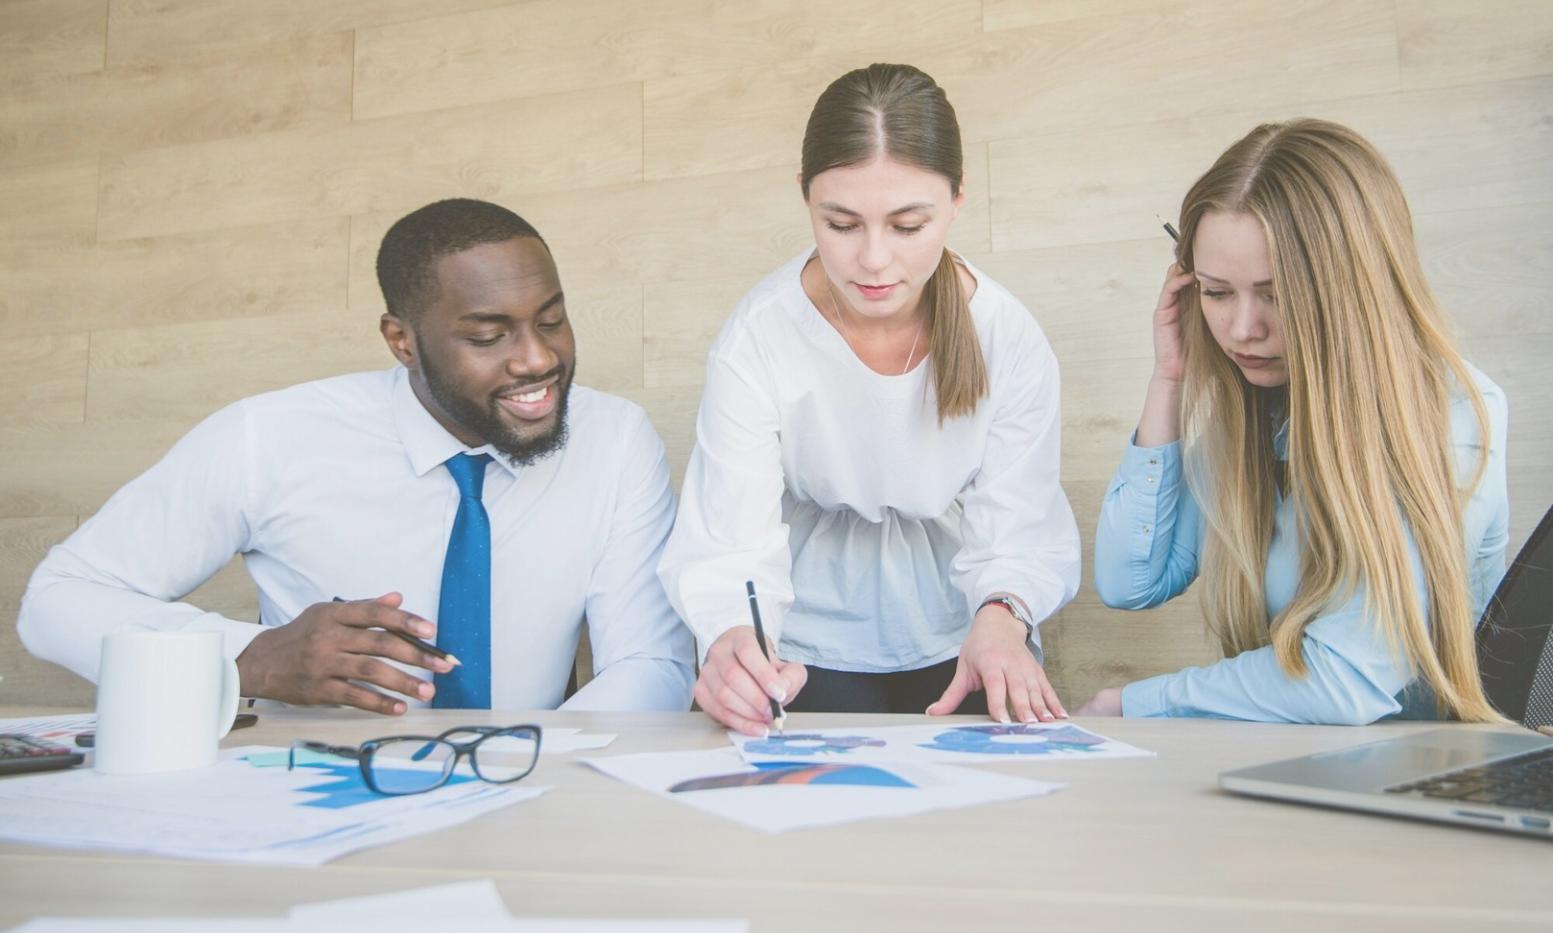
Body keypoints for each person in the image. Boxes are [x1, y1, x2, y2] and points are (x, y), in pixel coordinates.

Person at [18, 198, 695, 714]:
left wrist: (527, 770)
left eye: (550, 320)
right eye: (489, 335)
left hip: (539, 787)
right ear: (401, 341)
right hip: (310, 805)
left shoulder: (614, 439)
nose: (538, 358)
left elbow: (651, 661)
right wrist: (245, 658)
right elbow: (56, 602)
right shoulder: (269, 437)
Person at [658, 63, 1081, 736]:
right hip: (800, 637)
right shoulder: (757, 335)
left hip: (959, 628)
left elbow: (1018, 524)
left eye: (909, 225)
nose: (874, 261)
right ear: (804, 199)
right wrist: (733, 639)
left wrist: (1002, 618)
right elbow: (728, 541)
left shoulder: (1007, 336)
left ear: (957, 200)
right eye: (842, 223)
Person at [1078, 119, 1508, 724]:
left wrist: (1136, 702)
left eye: (1275, 294)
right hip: (1303, 761)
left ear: (1351, 288)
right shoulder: (1259, 411)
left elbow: (1344, 681)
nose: (1243, 329)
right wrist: (1168, 380)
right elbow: (1131, 580)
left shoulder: (1452, 414)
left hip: (1421, 774)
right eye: (1216, 293)